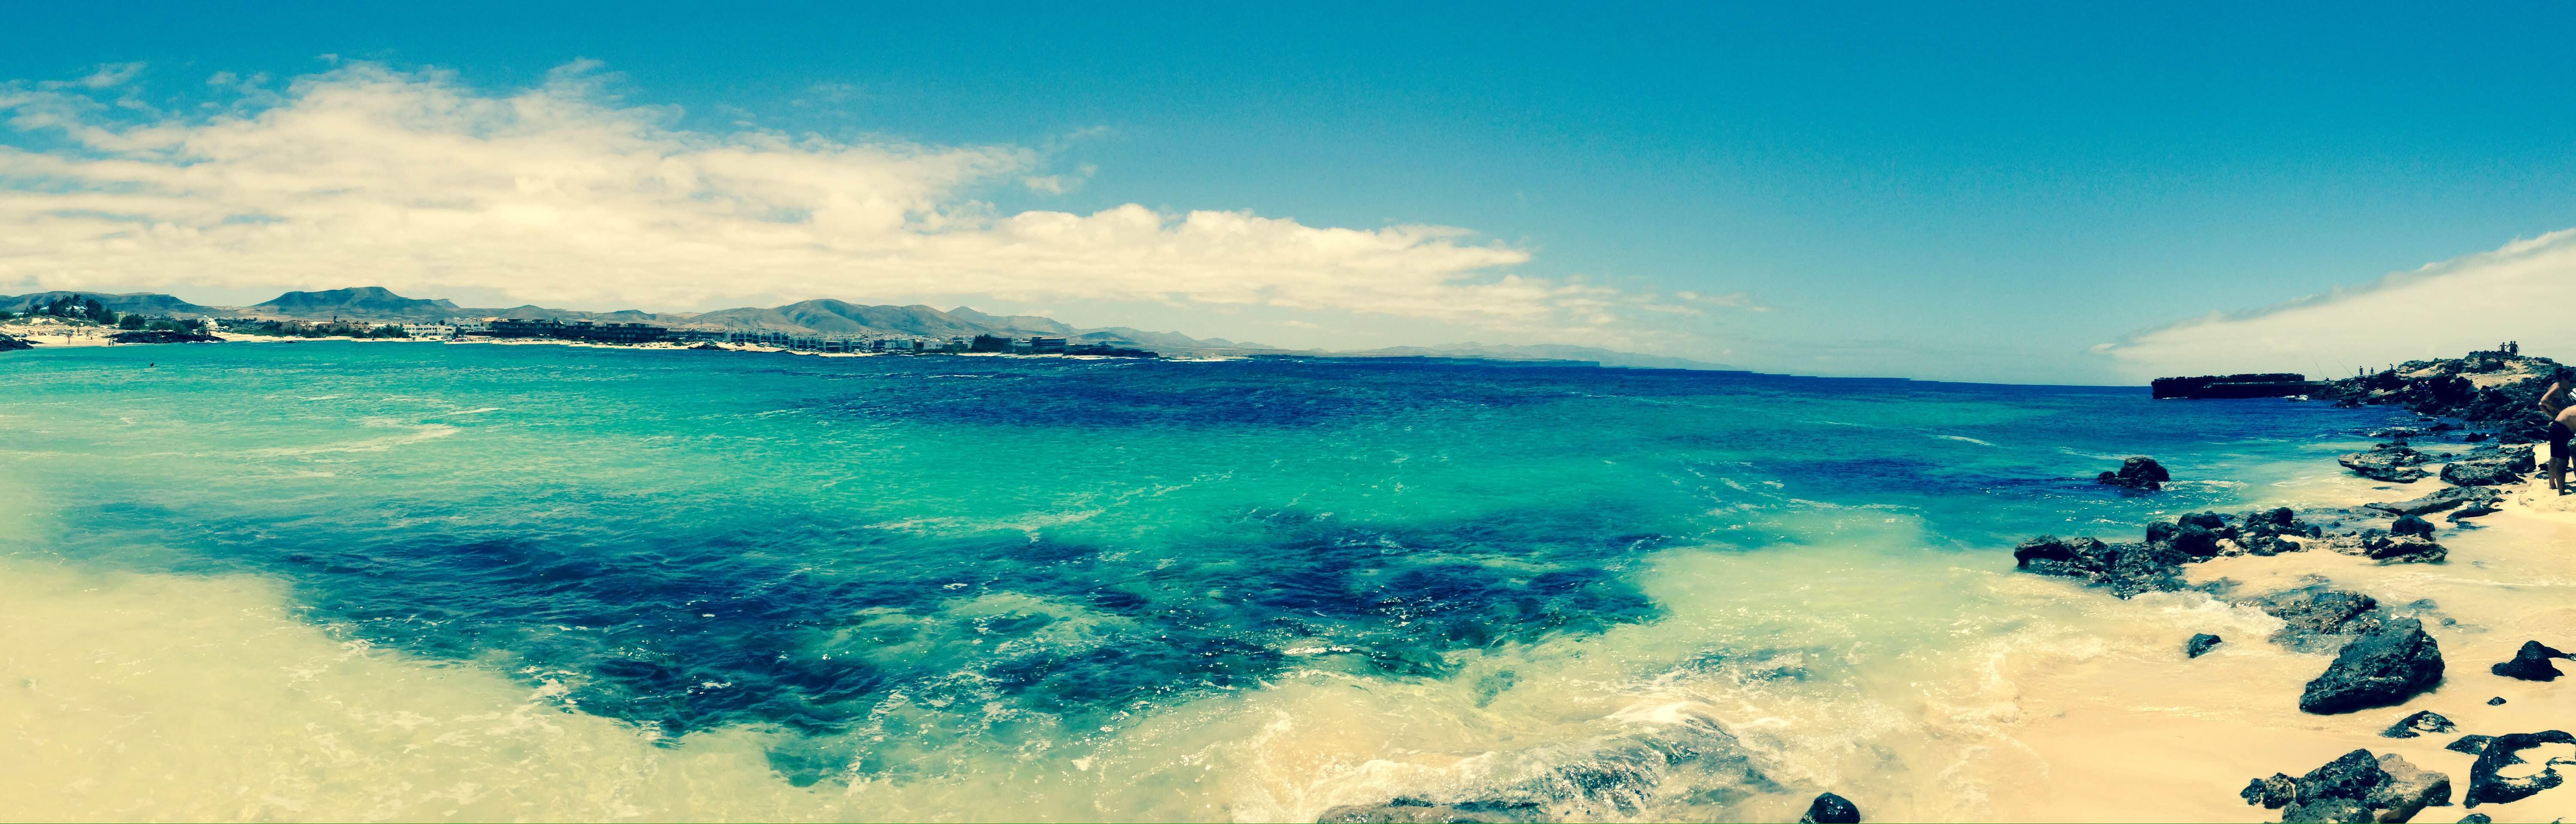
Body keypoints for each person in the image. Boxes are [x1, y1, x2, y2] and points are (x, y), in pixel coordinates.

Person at [2545, 375, 2576, 494]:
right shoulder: (2556, 388)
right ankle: (2561, 492)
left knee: (2558, 457)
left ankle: (2553, 486)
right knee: (2563, 461)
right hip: (2560, 429)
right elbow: (2543, 402)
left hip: (2561, 427)